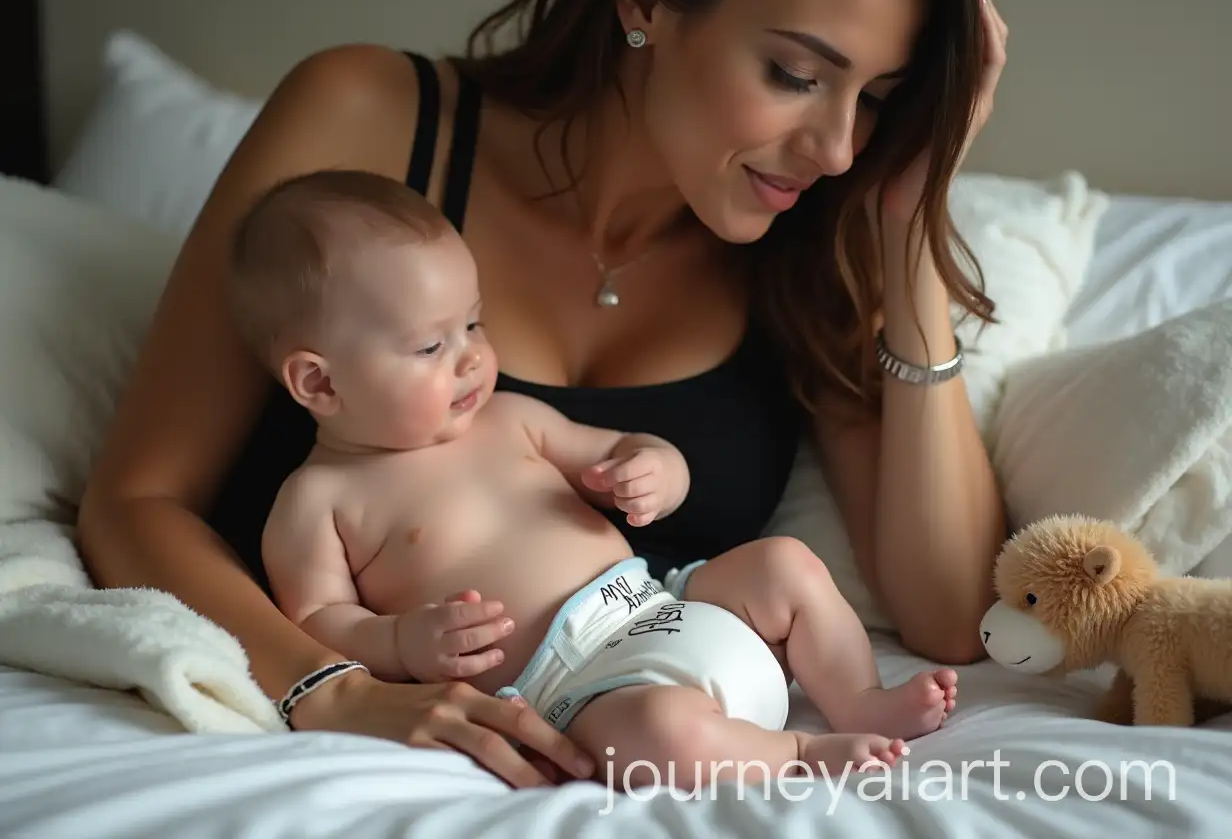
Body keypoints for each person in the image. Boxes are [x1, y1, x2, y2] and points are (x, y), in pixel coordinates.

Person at [76, 0, 1009, 790]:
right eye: (797, 76)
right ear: (649, 0)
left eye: (877, 100)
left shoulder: (808, 240)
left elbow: (951, 617)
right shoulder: (371, 121)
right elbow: (137, 502)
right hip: (537, 704)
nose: (840, 148)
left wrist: (908, 222)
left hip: (672, 647)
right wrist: (335, 687)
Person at [235, 169, 958, 789]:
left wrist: (656, 468)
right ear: (319, 383)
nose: (470, 358)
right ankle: (797, 752)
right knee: (663, 734)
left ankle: (859, 698)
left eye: (475, 326)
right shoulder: (315, 503)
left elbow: (615, 446)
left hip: (659, 600)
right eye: (430, 344)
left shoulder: (511, 417)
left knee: (787, 565)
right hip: (578, 689)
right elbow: (319, 625)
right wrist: (399, 644)